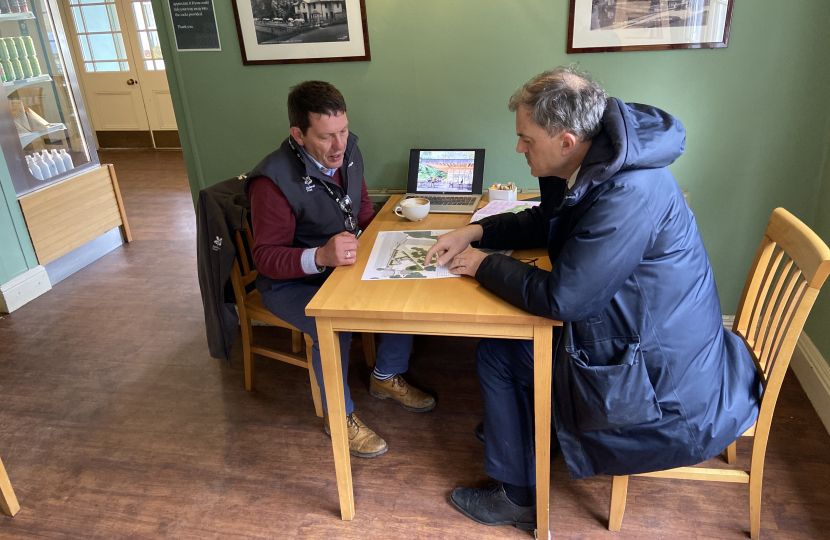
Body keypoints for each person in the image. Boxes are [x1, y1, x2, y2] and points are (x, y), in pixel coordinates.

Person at [425, 67, 761, 530]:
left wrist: (483, 265)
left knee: (500, 353)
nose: (519, 147)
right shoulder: (602, 160)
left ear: (565, 141)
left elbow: (565, 300)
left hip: (666, 388)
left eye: (526, 138)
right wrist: (477, 230)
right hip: (664, 343)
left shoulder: (627, 193)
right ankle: (525, 433)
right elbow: (549, 220)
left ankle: (518, 496)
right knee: (518, 345)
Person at [245, 81, 435, 459]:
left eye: (344, 131)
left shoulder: (348, 152)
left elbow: (360, 206)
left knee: (405, 288)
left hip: (341, 265)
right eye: (326, 136)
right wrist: (319, 256)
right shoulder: (272, 181)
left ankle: (384, 377)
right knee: (336, 323)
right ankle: (340, 417)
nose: (339, 146)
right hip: (289, 282)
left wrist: (384, 240)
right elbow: (264, 258)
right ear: (297, 134)